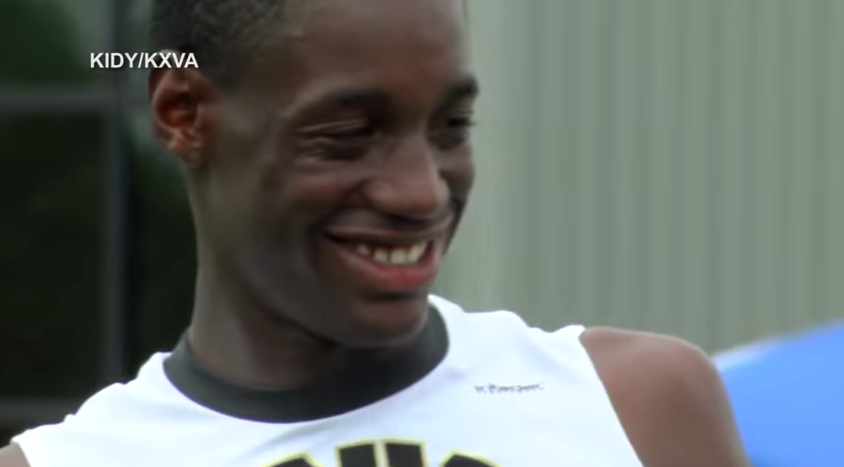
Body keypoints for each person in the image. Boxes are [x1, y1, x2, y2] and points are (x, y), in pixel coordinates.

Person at [0, 0, 750, 466]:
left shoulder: (637, 406)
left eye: (451, 126)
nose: (422, 191)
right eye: (349, 134)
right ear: (185, 115)